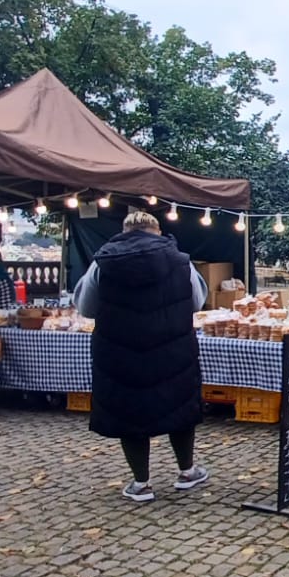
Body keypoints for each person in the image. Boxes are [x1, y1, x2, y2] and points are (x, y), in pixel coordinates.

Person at [75, 212, 209, 502]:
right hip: (173, 348)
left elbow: (85, 307)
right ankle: (187, 472)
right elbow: (197, 301)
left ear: (124, 231)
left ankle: (141, 483)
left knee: (129, 411)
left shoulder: (102, 261)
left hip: (119, 350)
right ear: (157, 231)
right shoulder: (180, 261)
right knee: (179, 407)